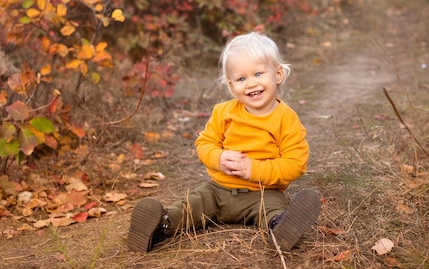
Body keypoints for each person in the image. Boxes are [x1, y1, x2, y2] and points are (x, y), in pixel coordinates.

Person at [127, 31, 321, 253]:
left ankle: (281, 230)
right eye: (241, 79)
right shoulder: (224, 112)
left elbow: (296, 163)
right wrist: (218, 158)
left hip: (263, 192)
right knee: (193, 204)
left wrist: (254, 169)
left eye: (258, 73)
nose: (250, 84)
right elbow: (204, 144)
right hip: (218, 191)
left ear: (277, 74)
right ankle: (161, 226)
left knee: (274, 208)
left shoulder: (286, 119)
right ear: (231, 85)